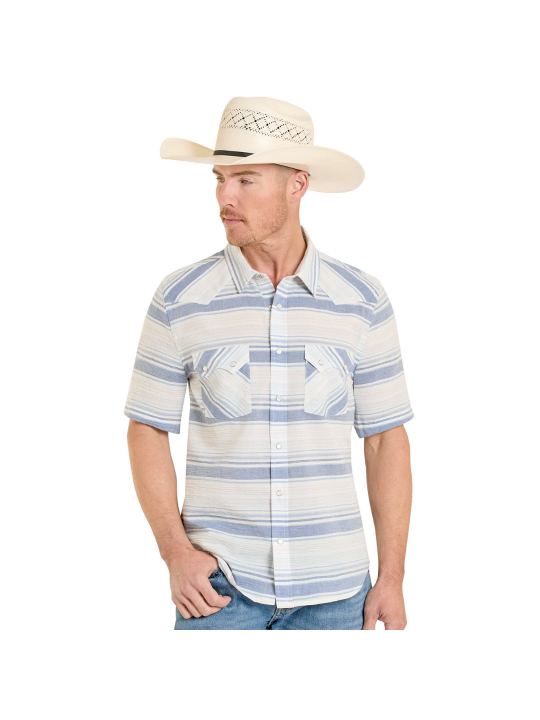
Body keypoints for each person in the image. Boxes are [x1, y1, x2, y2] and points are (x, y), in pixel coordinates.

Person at [124, 96, 414, 630]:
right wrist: (175, 555)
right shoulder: (180, 297)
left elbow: (385, 440)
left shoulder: (362, 299)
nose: (224, 197)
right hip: (218, 590)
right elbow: (147, 429)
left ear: (297, 185)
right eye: (219, 179)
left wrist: (392, 578)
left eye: (245, 180)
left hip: (337, 593)